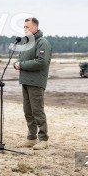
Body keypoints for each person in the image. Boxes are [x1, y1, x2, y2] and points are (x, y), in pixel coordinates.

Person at [14, 17, 52, 150]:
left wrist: (21, 65)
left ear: (35, 27)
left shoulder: (42, 42)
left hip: (36, 82)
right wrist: (17, 64)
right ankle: (31, 138)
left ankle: (43, 139)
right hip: (25, 80)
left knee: (37, 111)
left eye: (27, 27)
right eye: (24, 27)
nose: (25, 29)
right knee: (28, 111)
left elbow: (41, 61)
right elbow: (22, 59)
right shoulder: (27, 43)